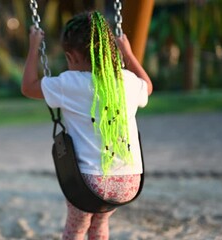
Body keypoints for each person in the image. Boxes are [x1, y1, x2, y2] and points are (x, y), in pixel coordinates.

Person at [21, 11, 153, 240]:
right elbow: (148, 87)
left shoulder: (70, 83)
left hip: (89, 184)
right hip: (128, 184)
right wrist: (129, 54)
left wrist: (34, 46)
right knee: (100, 218)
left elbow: (28, 87)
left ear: (72, 56)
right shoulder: (127, 81)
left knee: (77, 227)